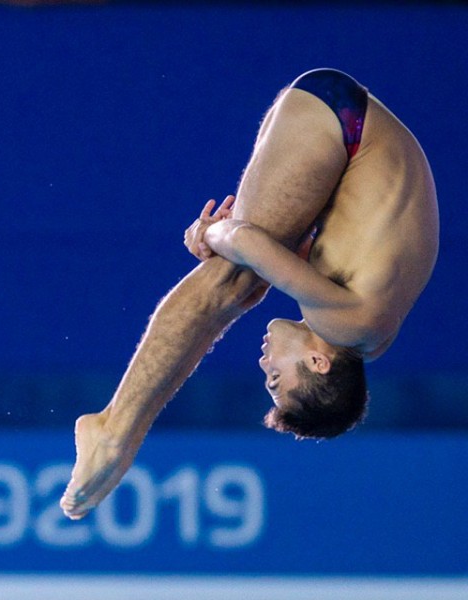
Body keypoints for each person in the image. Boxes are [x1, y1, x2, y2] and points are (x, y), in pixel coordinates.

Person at [60, 68, 438, 520]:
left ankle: (119, 431)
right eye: (276, 379)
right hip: (341, 127)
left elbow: (303, 247)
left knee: (247, 281)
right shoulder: (348, 325)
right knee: (232, 278)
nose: (264, 365)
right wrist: (208, 233)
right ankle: (114, 433)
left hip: (345, 122)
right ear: (319, 363)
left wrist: (243, 248)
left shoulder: (370, 336)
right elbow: (240, 242)